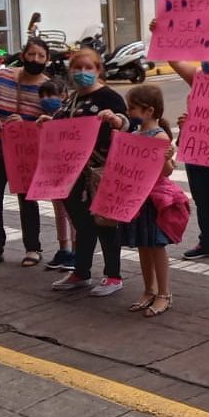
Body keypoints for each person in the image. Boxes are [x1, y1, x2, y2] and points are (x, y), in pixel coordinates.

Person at [151, 17, 209, 265]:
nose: (206, 59)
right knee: (203, 197)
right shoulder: (198, 78)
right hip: (195, 148)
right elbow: (173, 60)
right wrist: (159, 33)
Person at [44, 49, 129, 297]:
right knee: (82, 224)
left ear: (98, 70)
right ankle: (81, 271)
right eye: (77, 68)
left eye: (88, 68)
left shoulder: (108, 97)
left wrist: (115, 120)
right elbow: (62, 124)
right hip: (71, 173)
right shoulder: (72, 99)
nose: (82, 73)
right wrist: (47, 124)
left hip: (98, 172)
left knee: (105, 224)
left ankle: (113, 275)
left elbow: (126, 123)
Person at [100, 85, 179, 317]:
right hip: (136, 198)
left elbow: (166, 172)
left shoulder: (160, 136)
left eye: (132, 108)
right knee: (143, 246)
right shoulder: (134, 136)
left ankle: (164, 293)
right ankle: (149, 289)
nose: (129, 112)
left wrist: (167, 159)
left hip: (153, 199)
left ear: (149, 110)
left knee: (156, 246)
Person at [0, 37, 50, 268]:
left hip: (25, 153)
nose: (35, 59)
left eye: (41, 56)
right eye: (31, 54)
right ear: (23, 55)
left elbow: (52, 123)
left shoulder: (48, 87)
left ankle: (33, 248)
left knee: (27, 200)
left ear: (48, 60)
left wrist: (29, 122)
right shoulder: (2, 76)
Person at [37, 79, 76, 271]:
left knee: (72, 213)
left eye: (50, 95)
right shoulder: (42, 116)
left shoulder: (69, 113)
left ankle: (77, 252)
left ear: (63, 95)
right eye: (42, 96)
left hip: (70, 171)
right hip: (53, 169)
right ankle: (64, 249)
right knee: (59, 212)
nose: (46, 99)